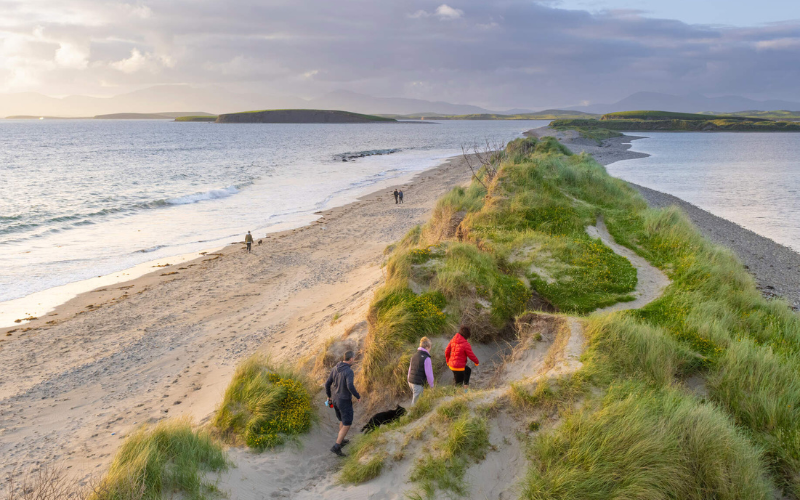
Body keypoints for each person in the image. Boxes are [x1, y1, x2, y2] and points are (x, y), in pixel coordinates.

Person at [325, 350, 361, 457]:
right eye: (353, 358)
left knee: (342, 420)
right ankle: (336, 447)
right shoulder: (349, 371)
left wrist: (329, 396)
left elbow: (327, 384)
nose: (354, 360)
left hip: (335, 399)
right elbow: (350, 386)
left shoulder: (335, 368)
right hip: (344, 400)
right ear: (351, 359)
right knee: (347, 423)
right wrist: (357, 396)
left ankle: (342, 440)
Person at [407, 337, 434, 405]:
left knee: (419, 400)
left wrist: (408, 380)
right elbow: (429, 374)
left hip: (411, 382)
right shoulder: (426, 358)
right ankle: (411, 415)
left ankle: (417, 413)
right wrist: (432, 385)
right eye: (430, 347)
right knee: (415, 404)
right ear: (427, 347)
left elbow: (409, 370)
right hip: (417, 384)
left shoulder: (414, 356)